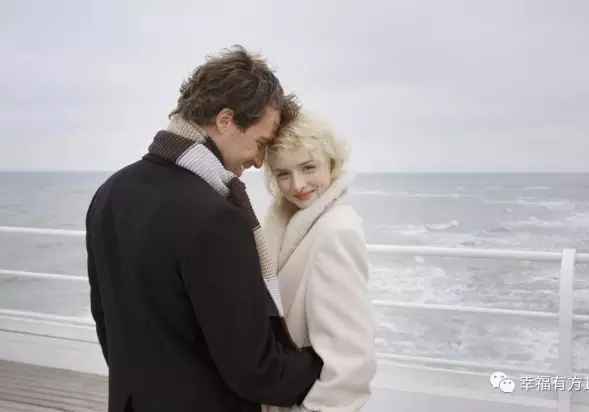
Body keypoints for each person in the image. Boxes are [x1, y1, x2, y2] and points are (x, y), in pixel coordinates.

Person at [86, 46, 322, 412]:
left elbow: (106, 324)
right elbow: (254, 371)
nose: (259, 161)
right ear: (226, 120)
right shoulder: (217, 218)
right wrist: (321, 361)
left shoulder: (109, 194)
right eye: (260, 143)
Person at [261, 111, 377, 412]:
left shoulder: (335, 231)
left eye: (308, 167)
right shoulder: (287, 224)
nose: (297, 185)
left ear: (332, 164)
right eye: (283, 174)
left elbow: (351, 360)